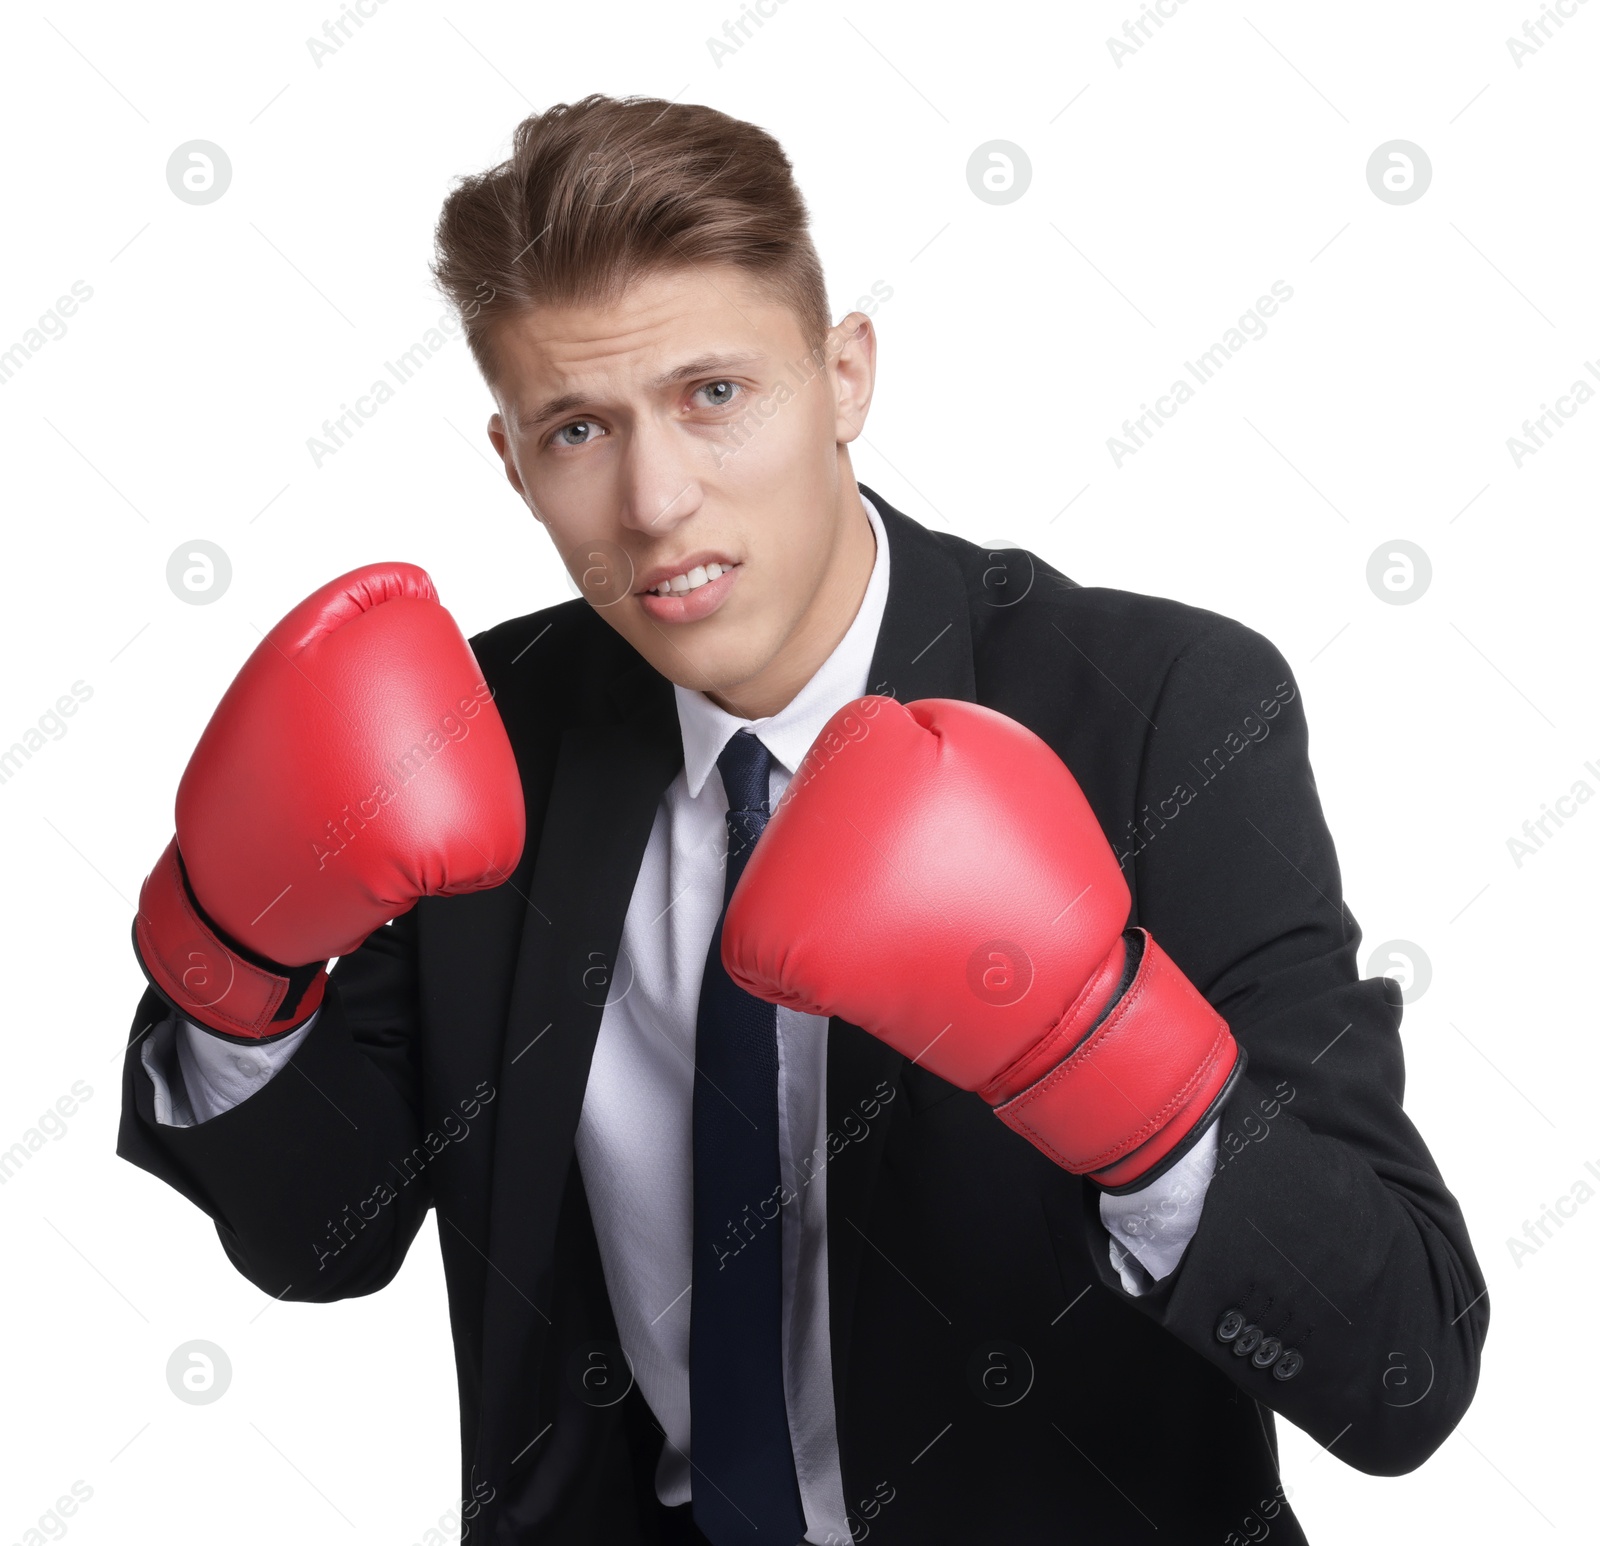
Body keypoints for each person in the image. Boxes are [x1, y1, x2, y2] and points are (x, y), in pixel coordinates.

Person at [117, 93, 1487, 1545]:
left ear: (844, 377)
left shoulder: (1155, 710)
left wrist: (1118, 1074)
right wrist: (232, 965)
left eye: (717, 395)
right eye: (580, 426)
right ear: (514, 462)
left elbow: (1403, 1370)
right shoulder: (483, 730)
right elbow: (314, 1239)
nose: (654, 500)